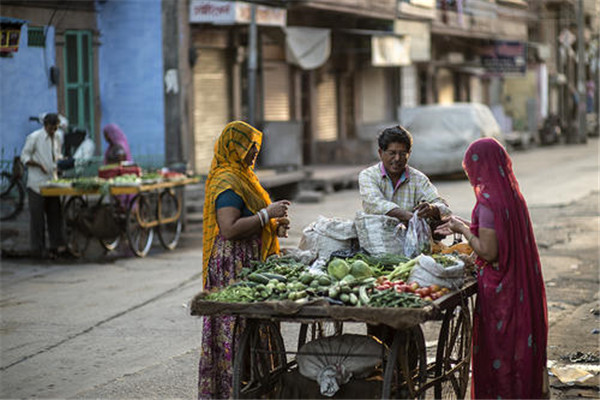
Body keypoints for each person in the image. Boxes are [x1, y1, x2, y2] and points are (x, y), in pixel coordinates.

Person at [434, 138, 548, 399]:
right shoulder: (511, 196)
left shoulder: (487, 202)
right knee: (519, 349)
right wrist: (462, 222)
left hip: (501, 293)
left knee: (501, 352)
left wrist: (461, 229)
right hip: (520, 286)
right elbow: (499, 234)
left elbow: (488, 251)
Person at [198, 121, 291, 399]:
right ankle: (232, 389)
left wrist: (272, 227)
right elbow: (229, 228)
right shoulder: (227, 179)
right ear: (235, 147)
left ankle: (255, 387)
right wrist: (267, 215)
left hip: (248, 259)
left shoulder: (244, 176)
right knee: (236, 328)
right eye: (250, 147)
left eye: (255, 147)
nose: (254, 153)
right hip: (232, 264)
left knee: (252, 328)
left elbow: (250, 216)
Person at [358, 125, 451, 226]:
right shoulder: (368, 175)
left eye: (402, 154)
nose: (397, 158)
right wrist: (410, 216)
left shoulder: (418, 179)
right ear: (380, 153)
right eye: (392, 153)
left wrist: (432, 209)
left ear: (409, 154)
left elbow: (443, 207)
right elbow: (375, 203)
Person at [20, 113, 66, 259]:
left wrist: (61, 162)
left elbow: (57, 155)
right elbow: (24, 158)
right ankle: (38, 250)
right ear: (46, 126)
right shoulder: (34, 137)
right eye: (52, 128)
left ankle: (55, 247)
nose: (53, 131)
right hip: (36, 184)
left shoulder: (57, 137)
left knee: (55, 216)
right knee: (37, 220)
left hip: (52, 182)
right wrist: (39, 165)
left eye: (56, 128)